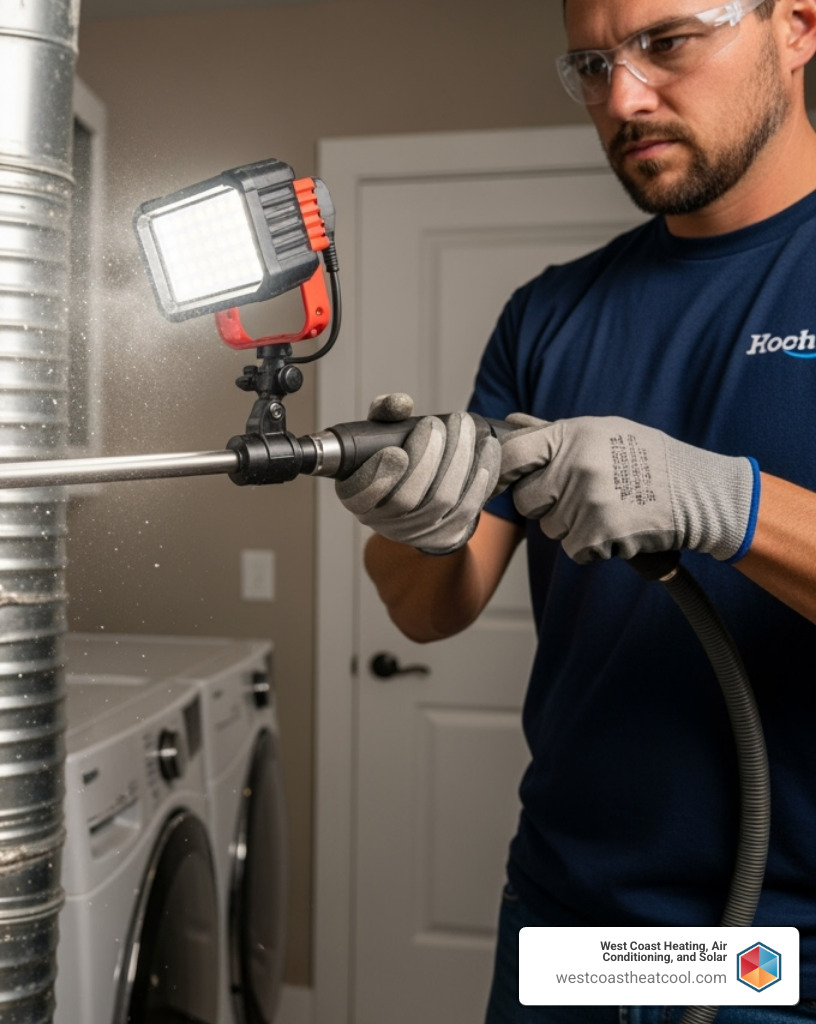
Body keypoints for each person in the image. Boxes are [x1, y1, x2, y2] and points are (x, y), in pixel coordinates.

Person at [333, 0, 816, 1020]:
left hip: (790, 953)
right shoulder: (550, 312)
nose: (623, 98)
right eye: (591, 65)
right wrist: (420, 526)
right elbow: (428, 608)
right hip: (571, 918)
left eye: (666, 43)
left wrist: (728, 503)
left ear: (798, 26)